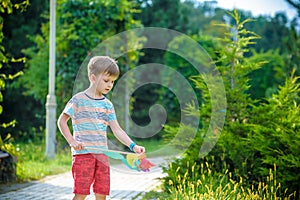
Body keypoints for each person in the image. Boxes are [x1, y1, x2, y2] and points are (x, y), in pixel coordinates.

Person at [57, 56, 145, 200]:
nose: (109, 85)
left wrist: (133, 146)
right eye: (106, 80)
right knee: (81, 193)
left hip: (102, 156)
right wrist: (72, 141)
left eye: (112, 82)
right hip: (83, 155)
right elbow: (62, 121)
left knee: (102, 193)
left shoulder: (107, 105)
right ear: (93, 77)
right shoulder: (78, 100)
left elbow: (117, 129)